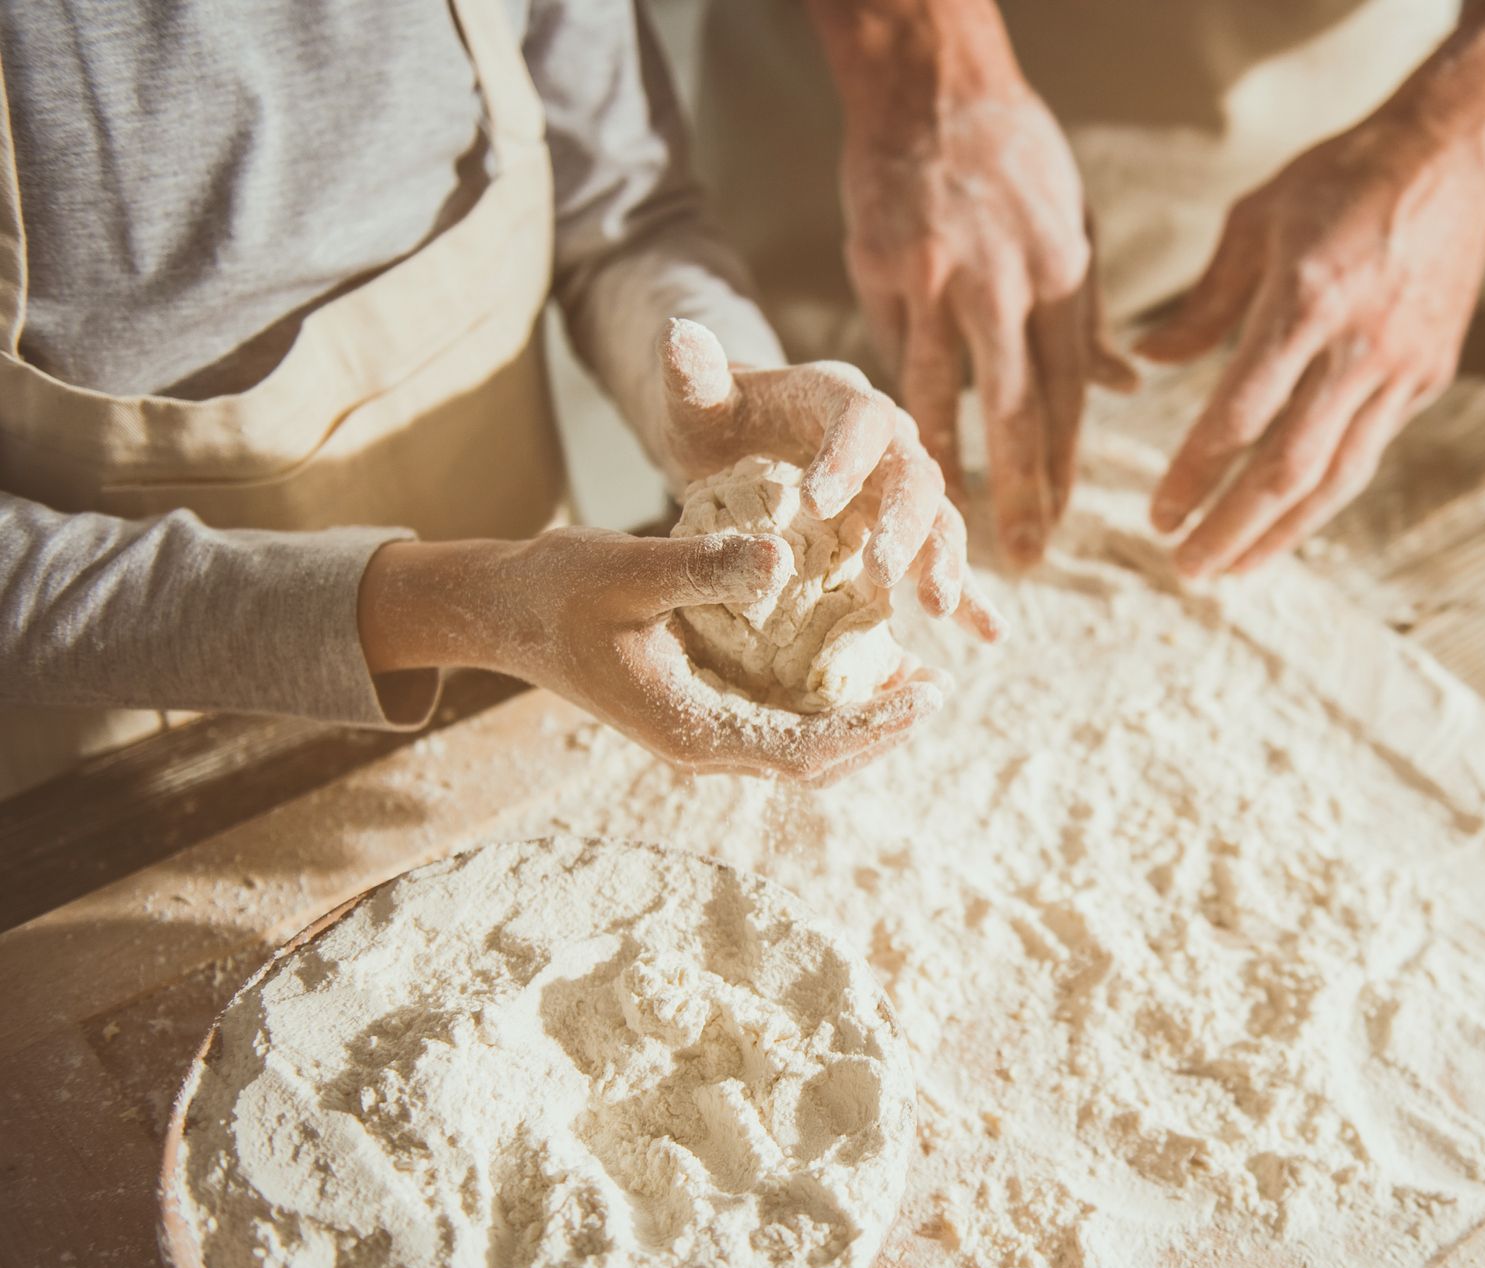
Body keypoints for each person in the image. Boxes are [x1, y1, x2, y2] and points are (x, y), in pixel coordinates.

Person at [0, 0, 1003, 801]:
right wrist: (474, 607)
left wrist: (728, 399)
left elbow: (626, 219)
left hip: (565, 660)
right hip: (143, 758)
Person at [694, 0, 1485, 575]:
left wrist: (1468, 138)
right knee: (781, 484)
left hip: (1323, 119)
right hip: (872, 113)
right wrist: (915, 59)